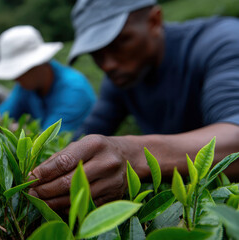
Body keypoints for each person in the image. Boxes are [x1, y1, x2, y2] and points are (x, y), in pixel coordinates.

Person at [28, 0, 239, 210]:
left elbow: (235, 138)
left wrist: (134, 155)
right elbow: (89, 132)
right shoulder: (122, 79)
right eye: (96, 54)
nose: (107, 64)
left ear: (154, 21)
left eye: (121, 42)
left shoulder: (222, 42)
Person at [0, 25, 97, 132]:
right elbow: (3, 116)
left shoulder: (73, 91)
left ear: (39, 62)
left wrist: (11, 127)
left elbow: (48, 142)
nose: (15, 78)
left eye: (19, 71)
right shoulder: (26, 86)